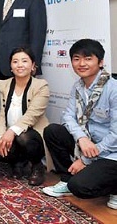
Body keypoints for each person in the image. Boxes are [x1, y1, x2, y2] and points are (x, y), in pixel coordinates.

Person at [42, 39, 117, 210]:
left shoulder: (113, 89)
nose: (81, 63)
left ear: (100, 62)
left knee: (80, 187)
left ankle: (114, 187)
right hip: (89, 144)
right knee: (53, 131)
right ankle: (67, 179)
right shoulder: (78, 87)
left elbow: (115, 136)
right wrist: (81, 138)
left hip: (111, 152)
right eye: (76, 59)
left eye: (88, 58)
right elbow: (68, 116)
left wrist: (85, 160)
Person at [0, 47, 50, 186]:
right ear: (11, 67)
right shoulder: (2, 85)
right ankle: (17, 163)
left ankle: (37, 166)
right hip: (7, 133)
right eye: (15, 61)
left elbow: (32, 115)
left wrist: (12, 132)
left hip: (32, 134)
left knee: (23, 138)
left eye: (24, 61)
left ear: (32, 66)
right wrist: (1, 137)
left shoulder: (41, 86)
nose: (20, 65)